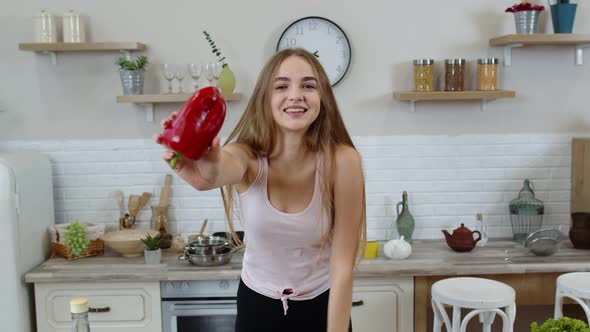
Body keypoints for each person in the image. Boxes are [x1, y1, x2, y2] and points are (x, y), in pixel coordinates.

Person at [156, 48, 366, 332]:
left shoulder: (344, 161)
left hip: (322, 305)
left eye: (308, 85)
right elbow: (218, 170)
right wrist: (203, 165)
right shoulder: (247, 156)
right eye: (281, 86)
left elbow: (342, 267)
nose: (295, 95)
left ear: (323, 98)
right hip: (258, 308)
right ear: (265, 99)